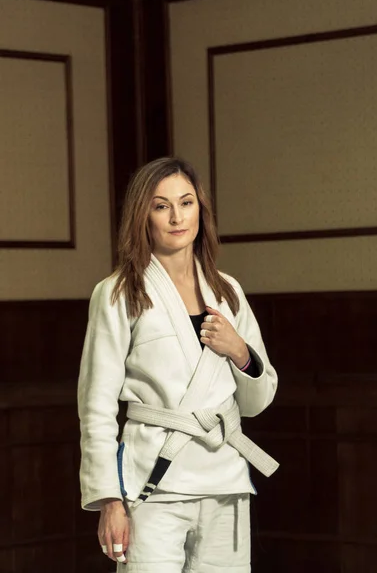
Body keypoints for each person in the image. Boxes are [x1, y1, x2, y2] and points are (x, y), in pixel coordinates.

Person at [78, 156, 279, 573]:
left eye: (186, 203)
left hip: (225, 480)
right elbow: (96, 405)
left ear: (200, 210)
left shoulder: (228, 292)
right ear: (143, 215)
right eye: (161, 205)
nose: (176, 217)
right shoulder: (118, 293)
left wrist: (239, 351)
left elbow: (257, 402)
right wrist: (110, 500)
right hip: (153, 484)